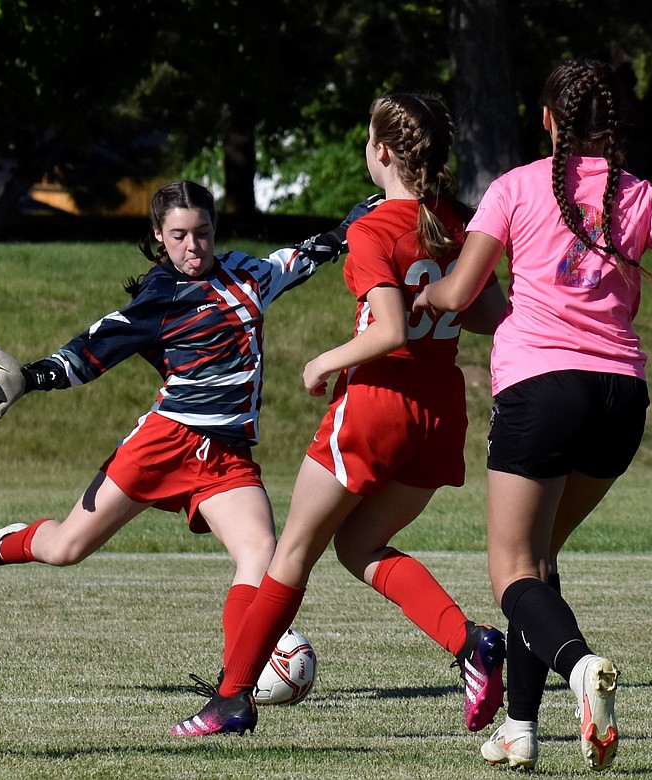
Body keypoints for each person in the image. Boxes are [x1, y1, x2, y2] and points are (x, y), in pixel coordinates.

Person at [413, 59, 652, 772]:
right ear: (611, 124)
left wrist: (427, 300)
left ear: (548, 120)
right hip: (621, 399)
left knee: (512, 569)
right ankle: (520, 729)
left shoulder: (515, 187)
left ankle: (581, 668)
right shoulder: (643, 195)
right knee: (540, 561)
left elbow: (462, 291)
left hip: (541, 391)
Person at [0, 179, 373, 690]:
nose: (194, 246)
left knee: (261, 552)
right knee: (65, 548)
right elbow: (89, 352)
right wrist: (30, 378)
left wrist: (351, 226)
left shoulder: (247, 275)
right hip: (164, 445)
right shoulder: (159, 298)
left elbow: (301, 257)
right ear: (159, 236)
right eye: (180, 236)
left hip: (227, 456)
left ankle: (234, 688)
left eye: (203, 232)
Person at [171, 92, 509, 738]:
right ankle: (471, 645)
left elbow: (386, 332)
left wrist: (324, 361)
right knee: (358, 547)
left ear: (381, 152)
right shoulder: (460, 222)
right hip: (439, 416)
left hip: (375, 407)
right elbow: (496, 317)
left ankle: (231, 699)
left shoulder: (372, 228)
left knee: (291, 552)